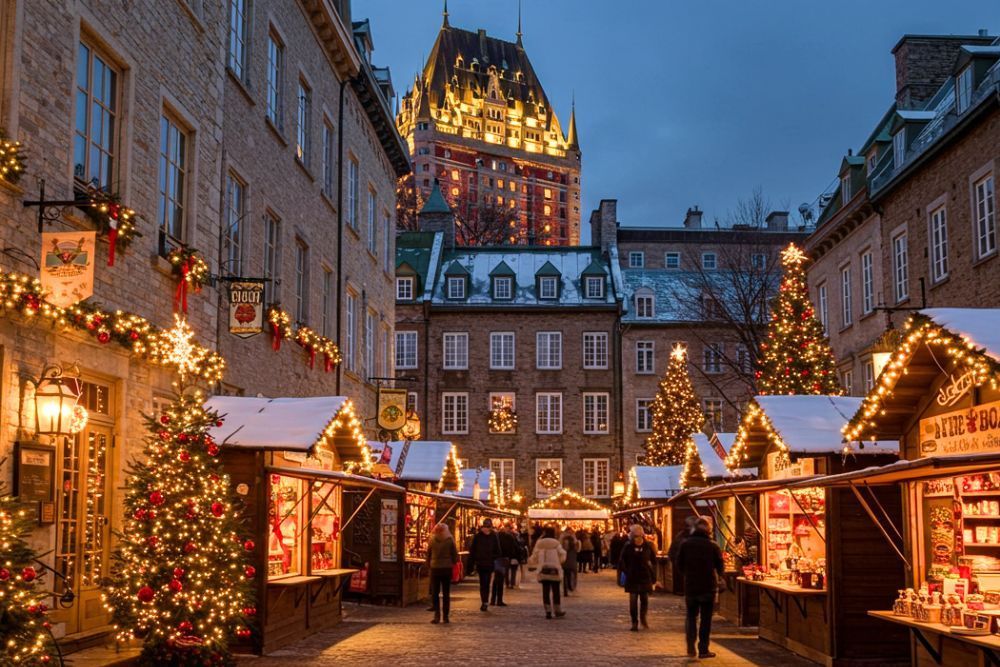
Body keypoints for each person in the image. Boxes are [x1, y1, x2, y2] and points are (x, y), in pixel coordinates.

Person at [677, 516, 725, 659]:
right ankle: (703, 649)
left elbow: (679, 564)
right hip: (707, 587)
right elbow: (720, 566)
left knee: (691, 617)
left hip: (691, 586)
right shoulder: (713, 545)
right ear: (709, 530)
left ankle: (691, 647)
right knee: (706, 620)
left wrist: (687, 574)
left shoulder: (686, 544)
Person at [618, 524, 657, 631]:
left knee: (644, 599)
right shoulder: (628, 546)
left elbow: (653, 561)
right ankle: (634, 622)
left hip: (645, 576)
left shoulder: (648, 546)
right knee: (633, 601)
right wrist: (627, 571)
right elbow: (622, 560)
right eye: (635, 535)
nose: (637, 536)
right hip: (632, 577)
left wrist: (652, 573)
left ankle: (643, 618)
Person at [528, 525, 566, 619]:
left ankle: (548, 611)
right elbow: (563, 554)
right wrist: (559, 562)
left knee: (546, 590)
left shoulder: (540, 543)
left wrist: (534, 563)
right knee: (556, 590)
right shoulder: (556, 543)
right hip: (554, 569)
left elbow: (535, 555)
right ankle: (557, 610)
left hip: (543, 568)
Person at [426, 522, 459, 624]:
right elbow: (455, 555)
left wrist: (429, 565)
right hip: (446, 568)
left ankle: (437, 615)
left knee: (435, 593)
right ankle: (445, 616)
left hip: (435, 568)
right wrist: (452, 562)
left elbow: (428, 554)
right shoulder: (450, 540)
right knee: (446, 593)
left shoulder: (432, 540)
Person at [468, 518, 502, 611]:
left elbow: (498, 551)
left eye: (488, 527)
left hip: (489, 564)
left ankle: (485, 601)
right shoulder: (478, 537)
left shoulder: (493, 536)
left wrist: (491, 557)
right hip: (481, 564)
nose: (487, 529)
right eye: (486, 527)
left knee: (486, 583)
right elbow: (473, 551)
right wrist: (472, 562)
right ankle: (484, 601)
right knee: (483, 583)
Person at [493, 524, 519, 605]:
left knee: (496, 579)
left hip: (496, 559)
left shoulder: (494, 537)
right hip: (504, 558)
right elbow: (514, 548)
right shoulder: (510, 537)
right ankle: (499, 600)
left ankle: (493, 600)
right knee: (500, 579)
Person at [559, 525, 580, 596]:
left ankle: (566, 590)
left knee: (565, 575)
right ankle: (571, 587)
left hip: (565, 560)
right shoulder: (573, 541)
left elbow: (560, 548)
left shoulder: (562, 539)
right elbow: (578, 549)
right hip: (572, 560)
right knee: (573, 574)